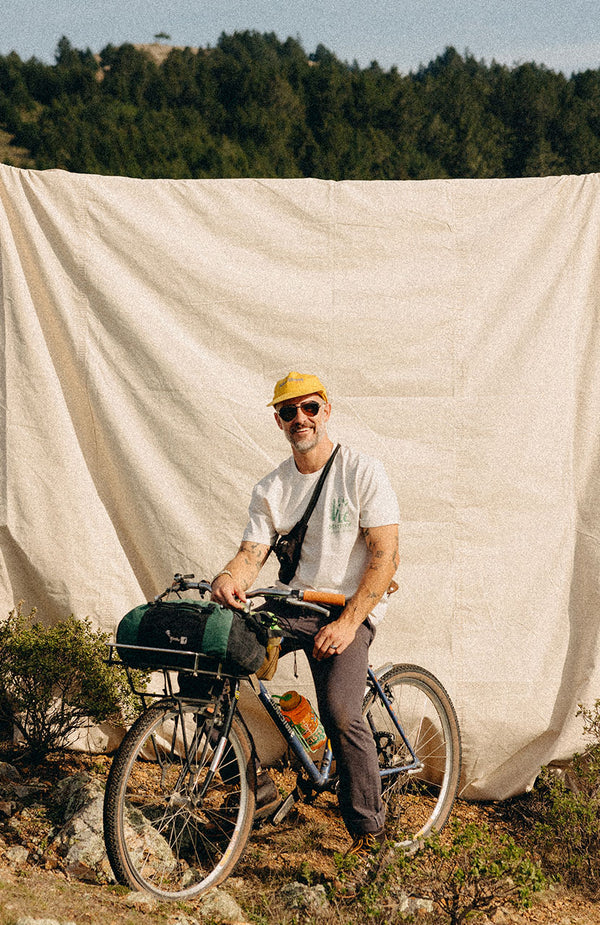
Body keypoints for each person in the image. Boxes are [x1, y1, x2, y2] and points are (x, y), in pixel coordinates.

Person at [211, 371, 400, 855]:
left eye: (310, 407)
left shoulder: (362, 471)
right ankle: (253, 788)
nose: (301, 418)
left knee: (341, 711)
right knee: (211, 662)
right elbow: (251, 554)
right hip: (291, 605)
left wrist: (348, 623)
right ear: (278, 420)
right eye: (289, 411)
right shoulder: (271, 487)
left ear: (326, 410)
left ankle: (369, 834)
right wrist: (229, 579)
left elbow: (385, 557)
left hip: (345, 609)